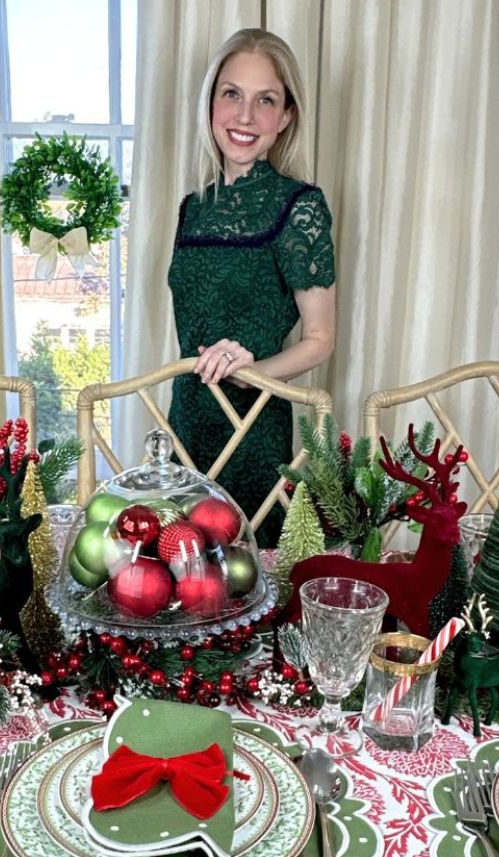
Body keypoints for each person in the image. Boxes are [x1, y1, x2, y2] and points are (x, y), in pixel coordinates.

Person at [167, 28, 335, 545]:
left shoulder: (299, 205)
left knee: (251, 585)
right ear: (211, 101)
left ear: (286, 117)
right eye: (232, 94)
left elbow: (320, 337)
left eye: (266, 100)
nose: (245, 116)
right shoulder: (191, 209)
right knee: (177, 577)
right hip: (186, 420)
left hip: (255, 426)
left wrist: (252, 374)